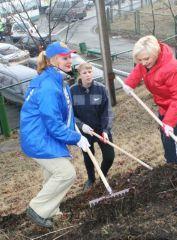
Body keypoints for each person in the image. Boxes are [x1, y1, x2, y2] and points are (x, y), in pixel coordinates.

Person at [20, 42, 90, 228]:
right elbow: (52, 123)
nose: (69, 61)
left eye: (70, 57)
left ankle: (51, 211)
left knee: (52, 174)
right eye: (64, 58)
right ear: (52, 60)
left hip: (44, 136)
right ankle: (38, 208)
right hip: (39, 138)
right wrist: (76, 139)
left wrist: (78, 129)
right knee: (66, 173)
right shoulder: (48, 86)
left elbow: (62, 113)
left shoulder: (56, 80)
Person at [122, 35, 177, 164]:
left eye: (146, 59)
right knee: (165, 137)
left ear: (155, 53)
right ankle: (172, 163)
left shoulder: (171, 68)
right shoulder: (147, 62)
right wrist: (130, 84)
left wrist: (169, 122)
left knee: (172, 138)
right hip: (165, 103)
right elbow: (139, 69)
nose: (143, 62)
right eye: (140, 59)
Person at [70, 63, 115, 191]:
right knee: (89, 157)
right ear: (80, 74)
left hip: (101, 130)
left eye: (90, 71)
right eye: (85, 72)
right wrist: (81, 125)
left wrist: (106, 130)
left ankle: (103, 175)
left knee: (109, 156)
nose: (88, 74)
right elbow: (69, 115)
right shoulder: (72, 91)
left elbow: (107, 111)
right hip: (84, 132)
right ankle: (91, 179)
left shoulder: (101, 89)